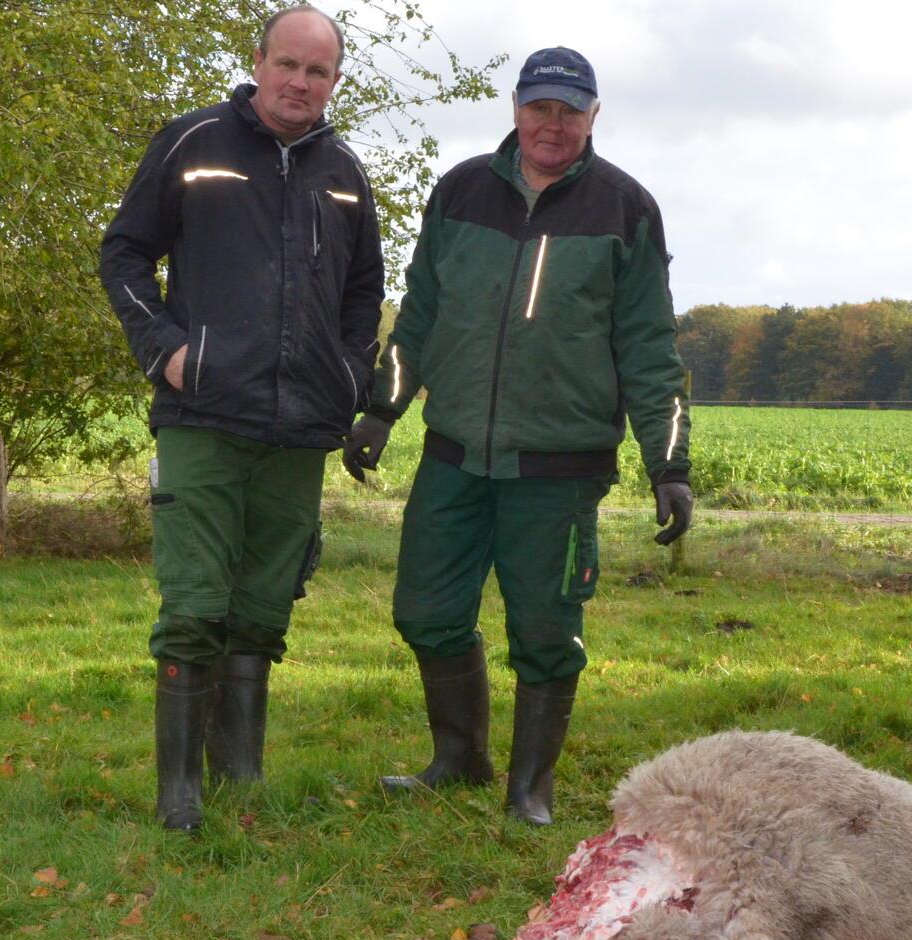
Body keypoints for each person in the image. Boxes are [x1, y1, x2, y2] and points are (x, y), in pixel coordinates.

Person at [341, 46, 692, 825]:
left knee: (544, 630)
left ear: (593, 117)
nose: (553, 125)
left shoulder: (625, 210)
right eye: (540, 108)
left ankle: (530, 787)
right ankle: (458, 760)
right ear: (516, 109)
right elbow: (420, 312)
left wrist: (670, 464)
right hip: (453, 456)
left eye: (570, 111)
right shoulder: (461, 192)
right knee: (425, 611)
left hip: (560, 471)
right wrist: (380, 408)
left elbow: (649, 348)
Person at [99, 5, 384, 831]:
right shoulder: (193, 145)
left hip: (301, 430)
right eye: (288, 64)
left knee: (262, 609)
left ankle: (240, 777)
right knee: (194, 605)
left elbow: (365, 290)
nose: (300, 82)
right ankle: (179, 795)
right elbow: (122, 252)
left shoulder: (346, 175)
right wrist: (163, 349)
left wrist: (349, 370)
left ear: (335, 82)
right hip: (204, 415)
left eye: (318, 71)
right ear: (258, 61)